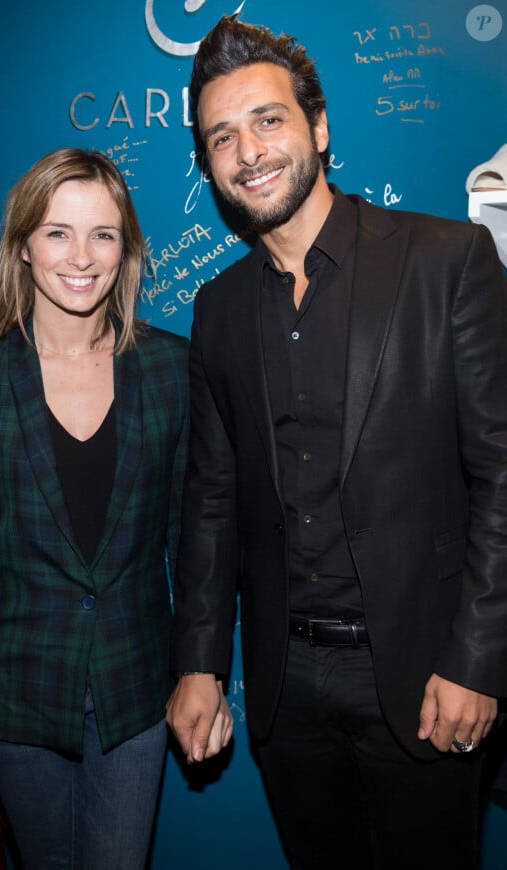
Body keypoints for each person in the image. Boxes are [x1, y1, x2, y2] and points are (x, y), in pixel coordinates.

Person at [166, 14, 507, 870]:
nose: (248, 152)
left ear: (318, 126)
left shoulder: (448, 260)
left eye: (268, 120)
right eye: (222, 137)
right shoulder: (216, 310)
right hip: (288, 689)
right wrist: (201, 662)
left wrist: (478, 658)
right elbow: (210, 499)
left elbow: (503, 474)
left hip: (428, 674)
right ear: (208, 163)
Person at [0, 147, 189, 870]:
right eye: (57, 232)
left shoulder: (169, 369)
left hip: (134, 688)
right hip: (11, 689)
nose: (82, 256)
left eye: (103, 234)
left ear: (126, 249)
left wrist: (199, 671)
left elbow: (189, 541)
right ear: (23, 245)